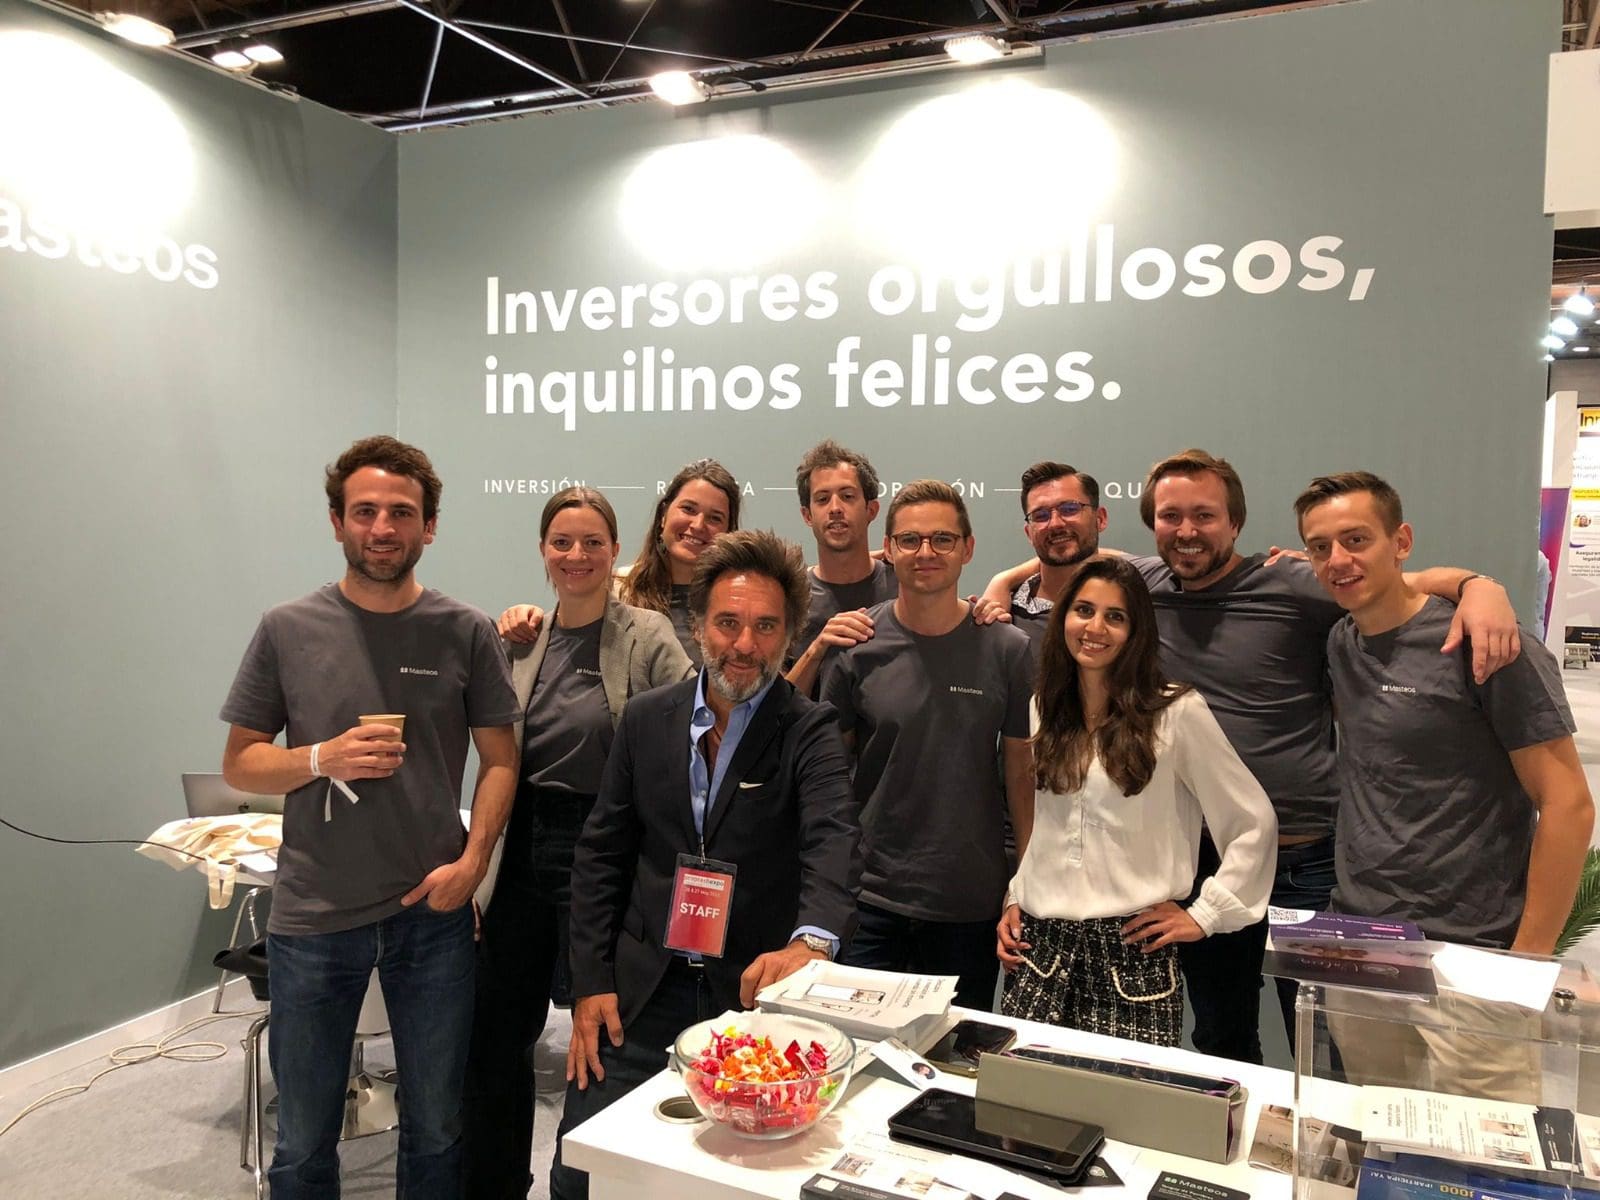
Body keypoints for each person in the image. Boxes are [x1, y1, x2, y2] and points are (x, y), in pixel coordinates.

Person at [984, 448, 1523, 1062]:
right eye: (1170, 517)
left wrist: (1477, 587)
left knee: (1325, 1038)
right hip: (1203, 861)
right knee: (1222, 1034)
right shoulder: (1146, 588)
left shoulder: (1293, 582)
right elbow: (1072, 558)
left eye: (1205, 515)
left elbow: (1392, 583)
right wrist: (1001, 583)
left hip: (1305, 862)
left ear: (1235, 522)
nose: (1187, 531)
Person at [219, 435, 520, 1200]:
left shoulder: (466, 630)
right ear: (337, 522)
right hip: (315, 915)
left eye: (401, 513)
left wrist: (474, 864)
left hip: (433, 913)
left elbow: (501, 760)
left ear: (429, 526)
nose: (382, 528)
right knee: (303, 1138)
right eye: (365, 512)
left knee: (437, 1127)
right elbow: (241, 763)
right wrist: (321, 757)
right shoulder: (287, 628)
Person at [551, 529, 861, 1200]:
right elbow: (601, 854)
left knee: (725, 1181)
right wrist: (589, 983)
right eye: (728, 622)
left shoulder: (808, 730)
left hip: (747, 1001)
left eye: (765, 626)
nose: (744, 644)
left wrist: (810, 943)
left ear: (789, 635)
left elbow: (833, 843)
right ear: (697, 626)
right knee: (583, 1174)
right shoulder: (646, 719)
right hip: (636, 993)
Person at [1295, 471, 1593, 1098]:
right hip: (1365, 943)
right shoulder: (1342, 642)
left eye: (1356, 539)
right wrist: (1472, 580)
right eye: (1321, 547)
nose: (1338, 560)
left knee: (1484, 1148)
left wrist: (1525, 962)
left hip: (1473, 955)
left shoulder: (1487, 644)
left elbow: (1567, 803)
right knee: (1382, 1130)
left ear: (1401, 541)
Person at [462, 487, 693, 1200]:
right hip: (524, 842)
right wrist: (479, 868)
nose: (577, 555)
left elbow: (689, 727)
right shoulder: (522, 639)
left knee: (601, 1029)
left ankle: (584, 1185)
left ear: (615, 551)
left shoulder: (648, 633)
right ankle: (495, 1185)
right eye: (562, 541)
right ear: (543, 551)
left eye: (593, 541)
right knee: (496, 1033)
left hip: (607, 845)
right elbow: (497, 753)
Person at [997, 556, 1276, 1046]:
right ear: (1063, 617)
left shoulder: (1175, 712)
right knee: (1026, 1093)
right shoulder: (1044, 707)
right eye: (1084, 610)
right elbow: (1052, 825)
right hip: (1040, 950)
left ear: (1136, 631)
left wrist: (1206, 914)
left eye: (1115, 616)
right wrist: (1018, 894)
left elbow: (1253, 820)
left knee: (1126, 1097)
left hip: (1131, 956)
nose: (1095, 628)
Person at [820, 479, 1035, 1011]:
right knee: (858, 1050)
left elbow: (1021, 775)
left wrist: (1024, 886)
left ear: (968, 548)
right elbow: (828, 782)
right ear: (888, 549)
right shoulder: (856, 646)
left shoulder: (1007, 648)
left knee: (954, 1056)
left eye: (942, 539)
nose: (926, 553)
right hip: (870, 900)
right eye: (910, 540)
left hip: (968, 902)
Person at [498, 458, 741, 666]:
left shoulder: (739, 601)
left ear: (729, 530)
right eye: (688, 509)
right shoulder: (616, 587)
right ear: (663, 515)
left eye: (715, 518)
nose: (698, 525)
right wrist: (528, 619)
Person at [784, 439, 898, 694]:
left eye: (847, 496)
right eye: (822, 499)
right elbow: (775, 706)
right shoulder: (788, 597)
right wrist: (816, 649)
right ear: (807, 515)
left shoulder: (905, 586)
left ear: (871, 509)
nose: (835, 508)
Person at [1007, 461, 1108, 654]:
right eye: (1040, 515)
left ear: (1100, 519)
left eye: (1069, 509)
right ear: (1029, 533)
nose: (1055, 524)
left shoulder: (1139, 596)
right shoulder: (1002, 616)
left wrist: (1003, 580)